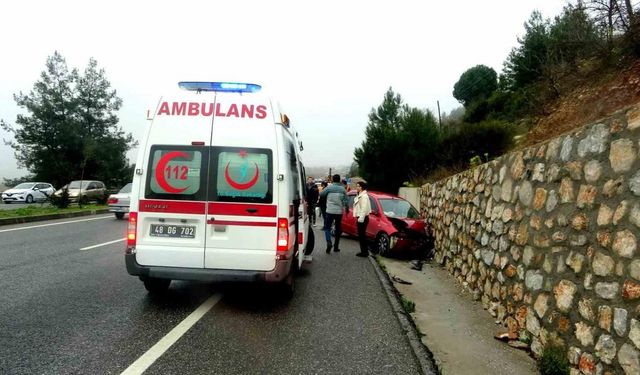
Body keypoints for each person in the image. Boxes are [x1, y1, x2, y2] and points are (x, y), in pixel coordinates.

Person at [319, 174, 348, 253]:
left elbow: (321, 194)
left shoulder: (329, 188)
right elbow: (346, 201)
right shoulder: (342, 189)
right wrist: (347, 209)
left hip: (330, 211)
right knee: (338, 229)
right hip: (339, 212)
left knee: (327, 227)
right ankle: (336, 247)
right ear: (339, 180)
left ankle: (329, 242)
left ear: (332, 180)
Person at [352, 181, 372, 257]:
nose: (356, 187)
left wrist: (361, 219)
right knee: (361, 235)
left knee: (362, 235)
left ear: (361, 187)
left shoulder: (364, 196)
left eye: (358, 186)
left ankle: (364, 252)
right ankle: (363, 251)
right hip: (361, 217)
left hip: (362, 218)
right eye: (356, 186)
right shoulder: (360, 195)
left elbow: (364, 208)